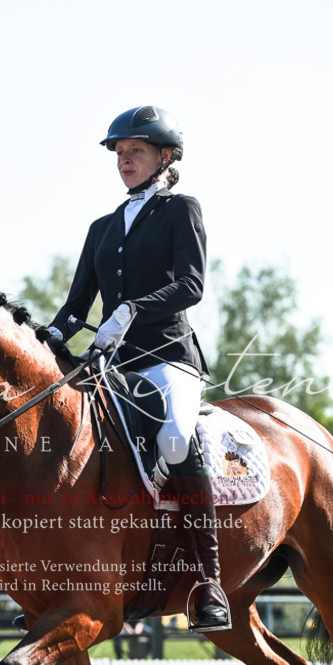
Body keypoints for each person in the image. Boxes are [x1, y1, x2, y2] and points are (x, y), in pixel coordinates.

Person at [49, 105, 230, 632]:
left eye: (136, 152)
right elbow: (77, 302)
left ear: (165, 156)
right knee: (63, 432)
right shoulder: (102, 227)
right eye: (121, 154)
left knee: (175, 438)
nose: (125, 161)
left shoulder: (181, 210)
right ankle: (59, 576)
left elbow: (191, 286)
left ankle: (208, 579)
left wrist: (131, 309)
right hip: (112, 363)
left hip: (168, 357)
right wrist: (53, 335)